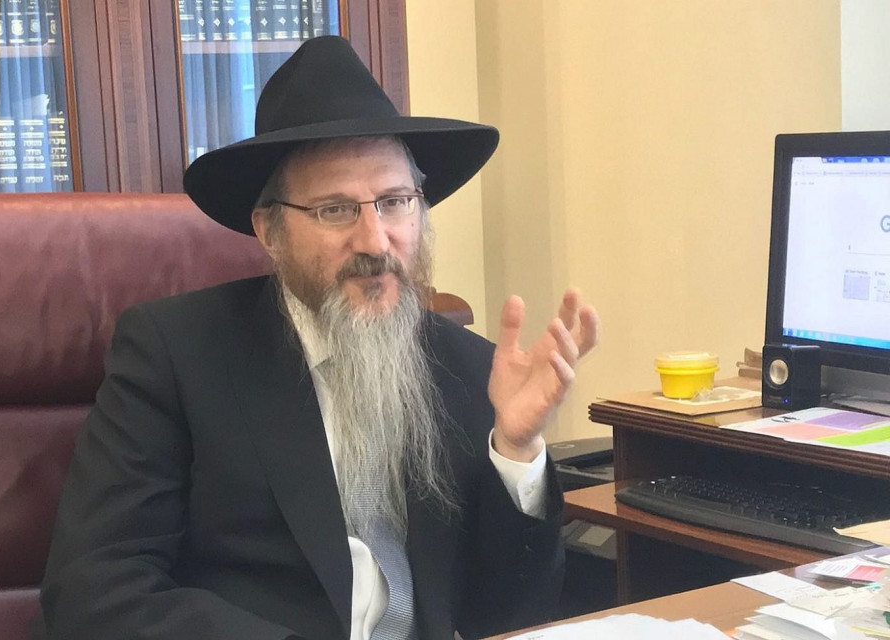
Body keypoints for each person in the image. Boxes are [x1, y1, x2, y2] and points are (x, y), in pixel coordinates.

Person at [34, 36, 598, 640]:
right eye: (335, 210)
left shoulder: (468, 365)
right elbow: (95, 589)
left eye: (394, 202)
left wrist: (517, 450)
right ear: (269, 231)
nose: (375, 240)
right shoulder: (175, 353)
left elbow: (510, 617)